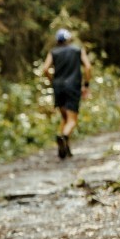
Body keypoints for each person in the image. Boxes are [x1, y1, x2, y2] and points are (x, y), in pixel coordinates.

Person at [41, 28, 92, 159]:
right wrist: (86, 85)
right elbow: (87, 66)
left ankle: (66, 147)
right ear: (69, 39)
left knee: (64, 118)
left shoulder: (53, 52)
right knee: (72, 120)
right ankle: (63, 136)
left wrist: (53, 80)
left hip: (58, 87)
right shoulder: (77, 50)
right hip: (72, 87)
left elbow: (45, 68)